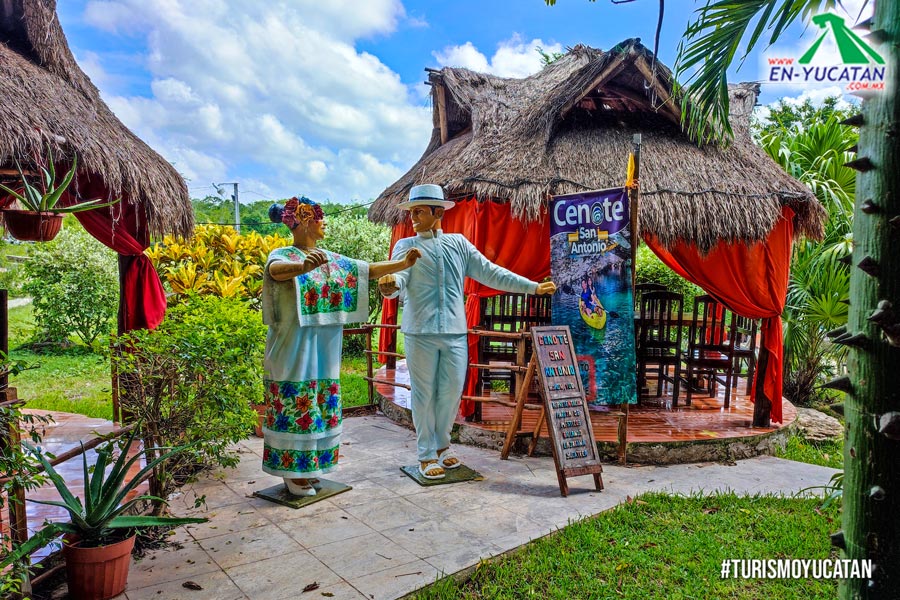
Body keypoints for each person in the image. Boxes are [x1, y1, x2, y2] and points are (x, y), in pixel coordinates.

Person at [378, 184, 556, 480]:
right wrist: (390, 286)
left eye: (419, 211)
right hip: (419, 331)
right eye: (412, 211)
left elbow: (491, 272)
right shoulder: (406, 246)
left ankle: (443, 445)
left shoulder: (458, 244)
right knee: (423, 393)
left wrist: (533, 287)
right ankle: (426, 454)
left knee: (450, 392)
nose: (413, 217)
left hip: (455, 331)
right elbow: (397, 277)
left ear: (438, 212)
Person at [262, 196, 420, 496]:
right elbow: (276, 271)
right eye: (320, 218)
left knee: (319, 400)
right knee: (295, 397)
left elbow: (366, 270)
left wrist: (403, 264)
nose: (324, 223)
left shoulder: (330, 259)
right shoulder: (282, 254)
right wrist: (301, 267)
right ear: (305, 221)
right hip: (293, 343)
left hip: (323, 344)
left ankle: (311, 467)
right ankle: (291, 472)